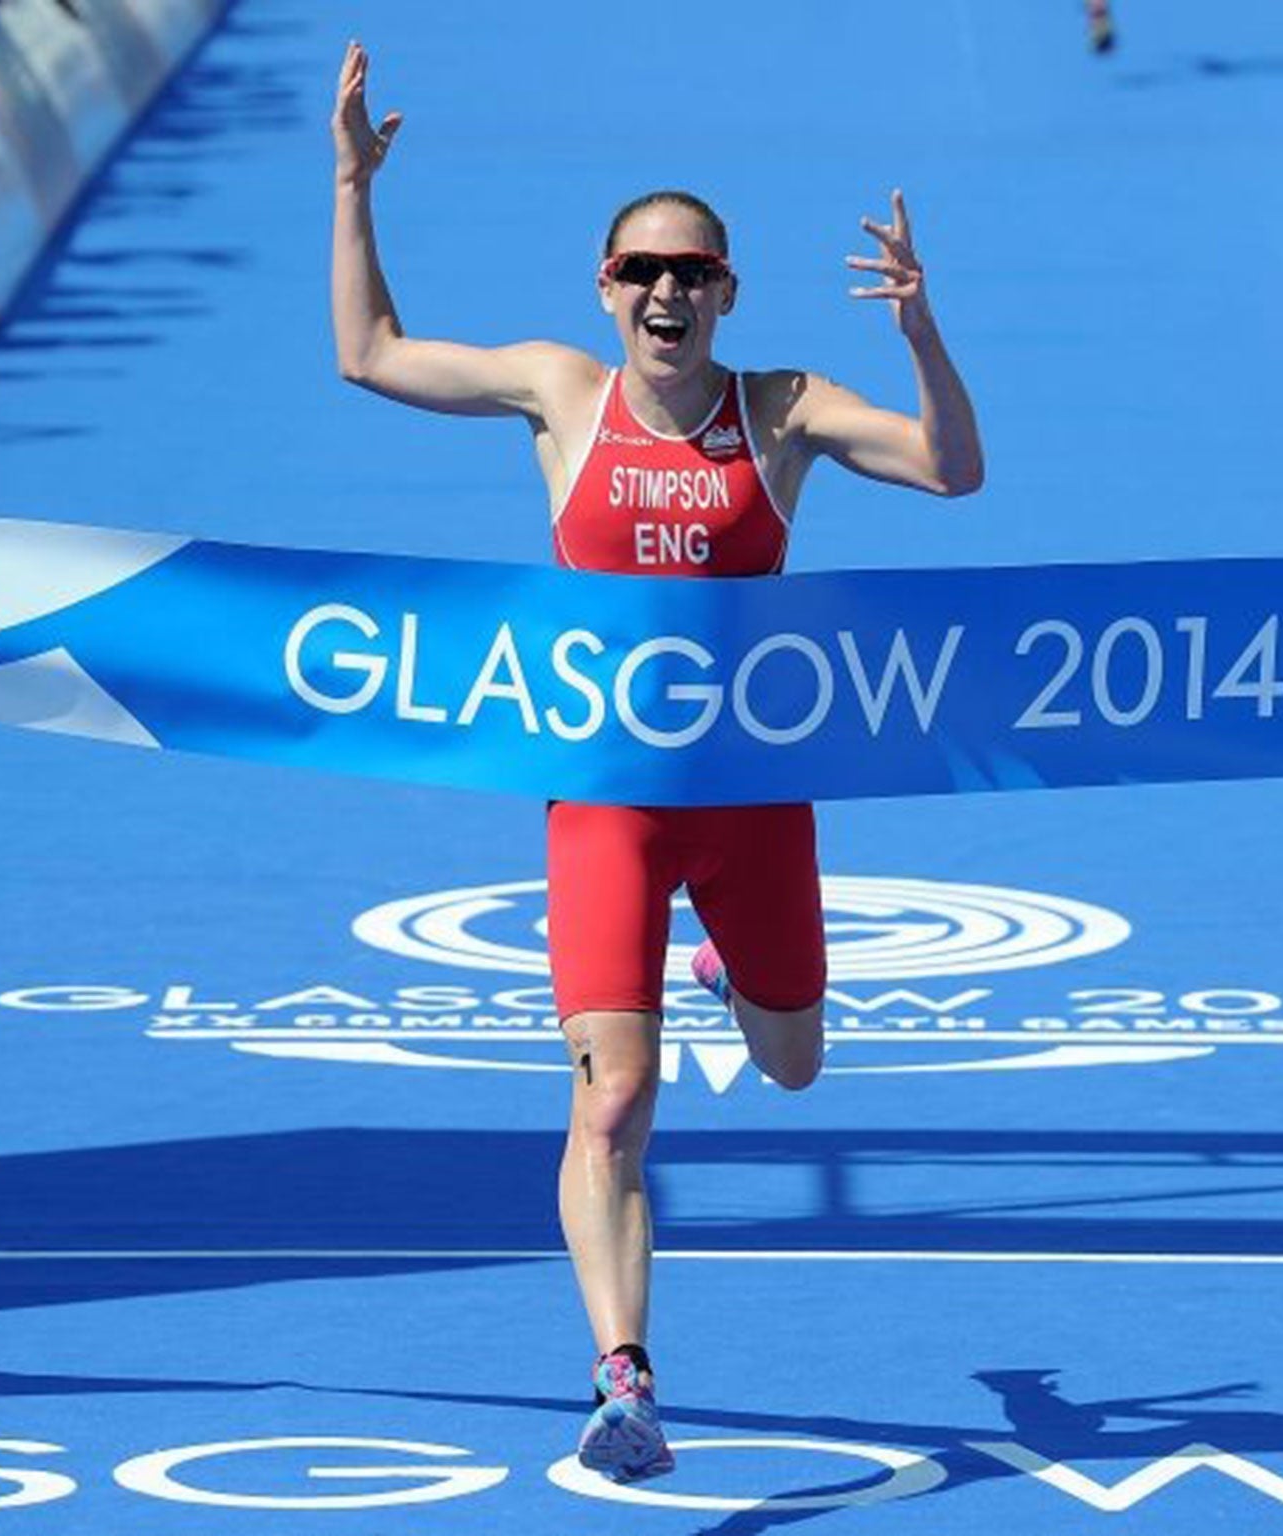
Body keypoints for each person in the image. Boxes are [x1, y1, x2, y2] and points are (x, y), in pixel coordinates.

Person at [328, 40, 983, 1484]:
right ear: (607, 288)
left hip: (754, 808)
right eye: (643, 271)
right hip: (608, 805)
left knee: (795, 1066)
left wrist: (924, 332)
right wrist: (352, 188)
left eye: (693, 272)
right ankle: (626, 1380)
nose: (667, 292)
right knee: (614, 1100)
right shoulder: (566, 397)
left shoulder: (787, 410)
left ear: (727, 293)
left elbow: (953, 470)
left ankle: (731, 970)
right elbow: (368, 355)